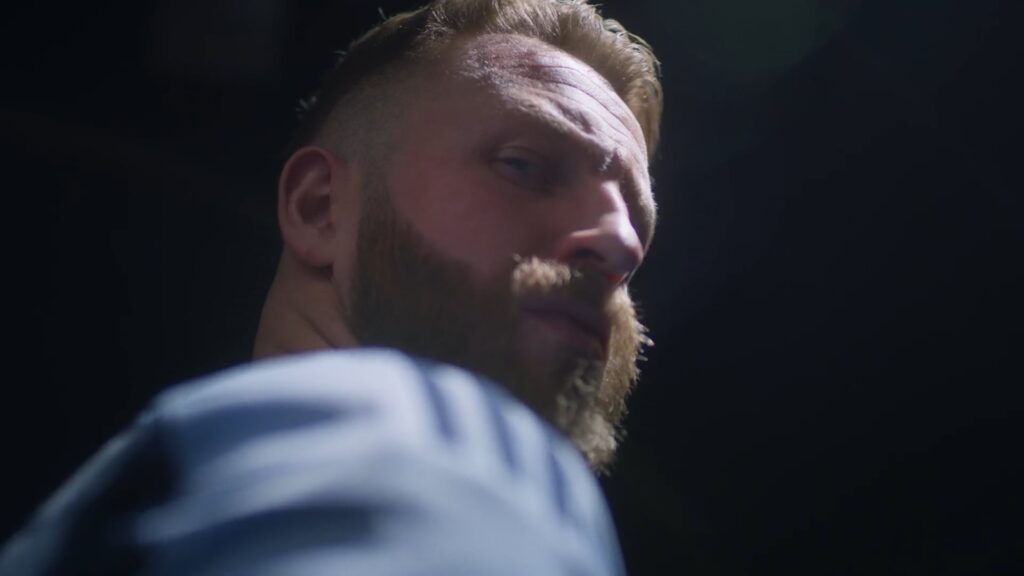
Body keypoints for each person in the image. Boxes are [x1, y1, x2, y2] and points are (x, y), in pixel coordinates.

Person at [0, 0, 662, 574]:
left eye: (637, 224)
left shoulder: (109, 509)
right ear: (321, 208)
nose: (622, 245)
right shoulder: (427, 423)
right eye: (523, 165)